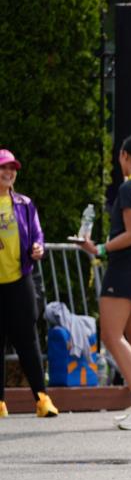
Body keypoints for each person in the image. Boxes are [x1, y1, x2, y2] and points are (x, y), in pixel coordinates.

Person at [78, 136, 131, 430]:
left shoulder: (130, 187)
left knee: (111, 336)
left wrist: (99, 248)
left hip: (127, 266)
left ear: (125, 155)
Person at [0, 149, 58, 418]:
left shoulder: (24, 204)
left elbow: (37, 234)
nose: (8, 172)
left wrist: (38, 247)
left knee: (28, 340)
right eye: (3, 168)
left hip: (19, 280)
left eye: (12, 168)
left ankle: (42, 399)